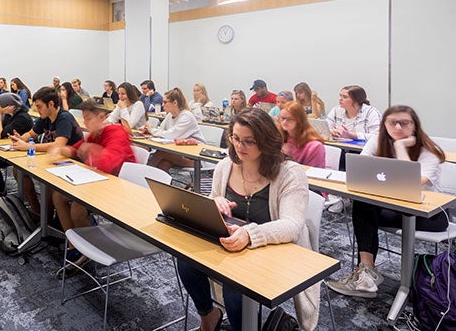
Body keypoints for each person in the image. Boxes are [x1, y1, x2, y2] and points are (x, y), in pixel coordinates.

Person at [177, 108, 318, 331]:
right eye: (235, 138)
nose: (239, 147)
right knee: (186, 261)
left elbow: (292, 226)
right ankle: (209, 317)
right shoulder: (225, 166)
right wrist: (215, 204)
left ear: (266, 141)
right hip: (234, 246)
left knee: (237, 290)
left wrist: (250, 235)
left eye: (249, 142)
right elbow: (213, 199)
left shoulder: (290, 173)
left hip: (274, 251)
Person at [327, 105, 448, 299]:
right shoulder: (377, 141)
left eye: (405, 123)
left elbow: (411, 182)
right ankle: (366, 271)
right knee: (364, 203)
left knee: (366, 211)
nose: (398, 127)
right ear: (384, 124)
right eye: (393, 123)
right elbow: (360, 169)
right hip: (391, 208)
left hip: (430, 214)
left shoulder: (428, 151)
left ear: (415, 126)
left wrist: (400, 147)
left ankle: (369, 277)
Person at [50, 100, 136, 275]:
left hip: (121, 187)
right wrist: (60, 150)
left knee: (77, 207)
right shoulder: (96, 134)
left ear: (101, 117)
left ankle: (88, 248)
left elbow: (106, 163)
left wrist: (91, 150)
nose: (85, 123)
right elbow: (76, 150)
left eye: (88, 119)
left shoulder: (116, 133)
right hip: (99, 181)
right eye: (84, 119)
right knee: (58, 196)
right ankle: (74, 243)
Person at [9, 87, 84, 213]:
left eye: (39, 107)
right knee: (18, 170)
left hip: (74, 162)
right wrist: (20, 139)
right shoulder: (45, 118)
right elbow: (31, 134)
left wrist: (28, 146)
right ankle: (37, 210)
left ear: (51, 104)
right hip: (56, 159)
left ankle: (47, 218)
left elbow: (58, 145)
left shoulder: (64, 118)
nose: (37, 111)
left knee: (48, 181)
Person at [141, 87, 207, 173]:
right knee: (163, 164)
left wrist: (151, 130)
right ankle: (157, 184)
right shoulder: (170, 115)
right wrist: (149, 130)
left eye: (165, 102)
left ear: (175, 102)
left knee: (162, 152)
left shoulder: (187, 116)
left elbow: (171, 135)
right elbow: (161, 130)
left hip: (196, 157)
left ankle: (144, 174)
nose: (162, 105)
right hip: (180, 152)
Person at [278, 101, 325, 168]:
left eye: (290, 119)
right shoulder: (278, 139)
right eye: (282, 118)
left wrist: (288, 157)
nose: (284, 122)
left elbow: (314, 174)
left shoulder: (315, 146)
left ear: (299, 120)